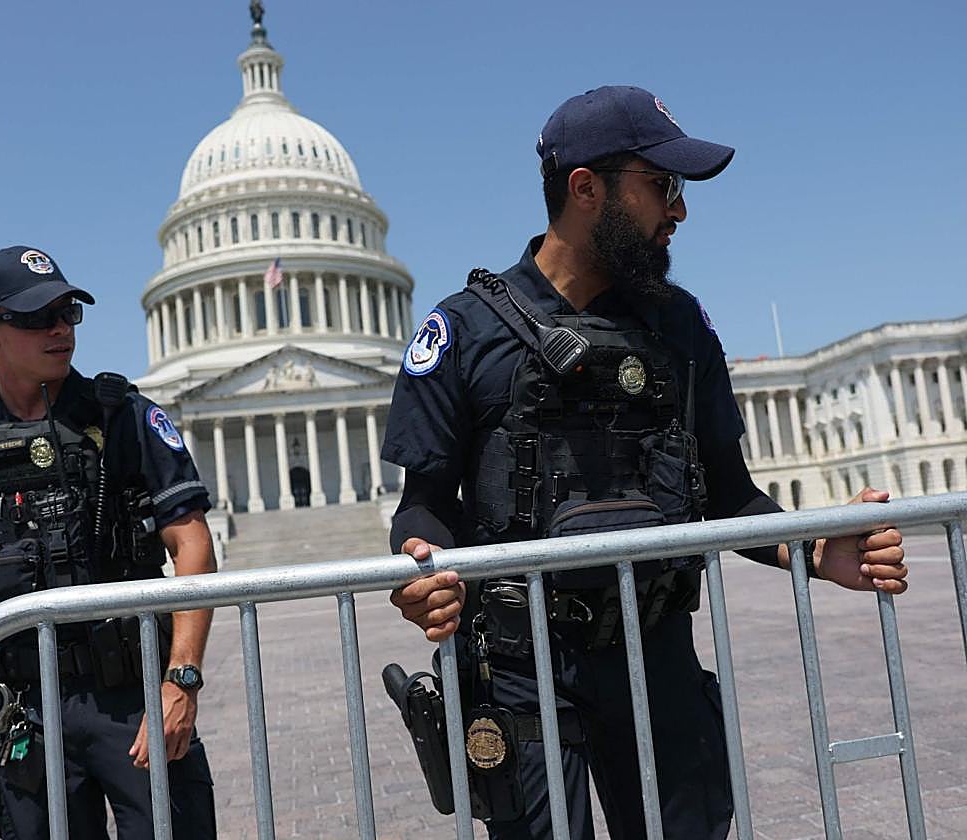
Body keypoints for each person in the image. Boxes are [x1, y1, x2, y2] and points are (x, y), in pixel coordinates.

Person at [381, 86, 908, 840]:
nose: (679, 209)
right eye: (660, 185)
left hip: (656, 653)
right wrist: (421, 564)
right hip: (522, 668)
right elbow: (424, 501)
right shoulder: (463, 332)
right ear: (586, 189)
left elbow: (727, 497)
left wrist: (817, 548)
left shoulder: (682, 325)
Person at [0, 245, 218, 839]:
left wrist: (180, 679)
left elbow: (191, 544)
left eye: (68, 312)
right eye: (38, 317)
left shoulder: (128, 420)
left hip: (130, 697)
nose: (61, 328)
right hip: (22, 711)